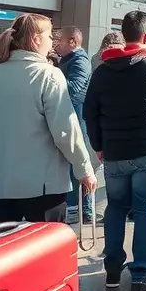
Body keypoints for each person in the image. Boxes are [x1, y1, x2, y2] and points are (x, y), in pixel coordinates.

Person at [84, 10, 146, 291]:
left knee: (115, 207)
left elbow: (89, 111)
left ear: (123, 33)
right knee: (145, 209)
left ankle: (112, 271)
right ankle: (141, 275)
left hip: (114, 152)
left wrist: (99, 146)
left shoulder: (102, 70)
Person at [0, 14, 96, 226]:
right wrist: (84, 169)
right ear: (35, 39)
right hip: (42, 187)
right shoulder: (48, 75)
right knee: (43, 253)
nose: (52, 41)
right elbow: (65, 131)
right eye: (49, 36)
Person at [53, 25, 95, 224]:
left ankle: (84, 211)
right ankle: (78, 209)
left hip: (77, 121)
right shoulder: (67, 60)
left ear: (73, 41)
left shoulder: (80, 60)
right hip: (70, 119)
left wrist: (50, 79)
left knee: (79, 165)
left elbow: (74, 87)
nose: (55, 43)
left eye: (59, 39)